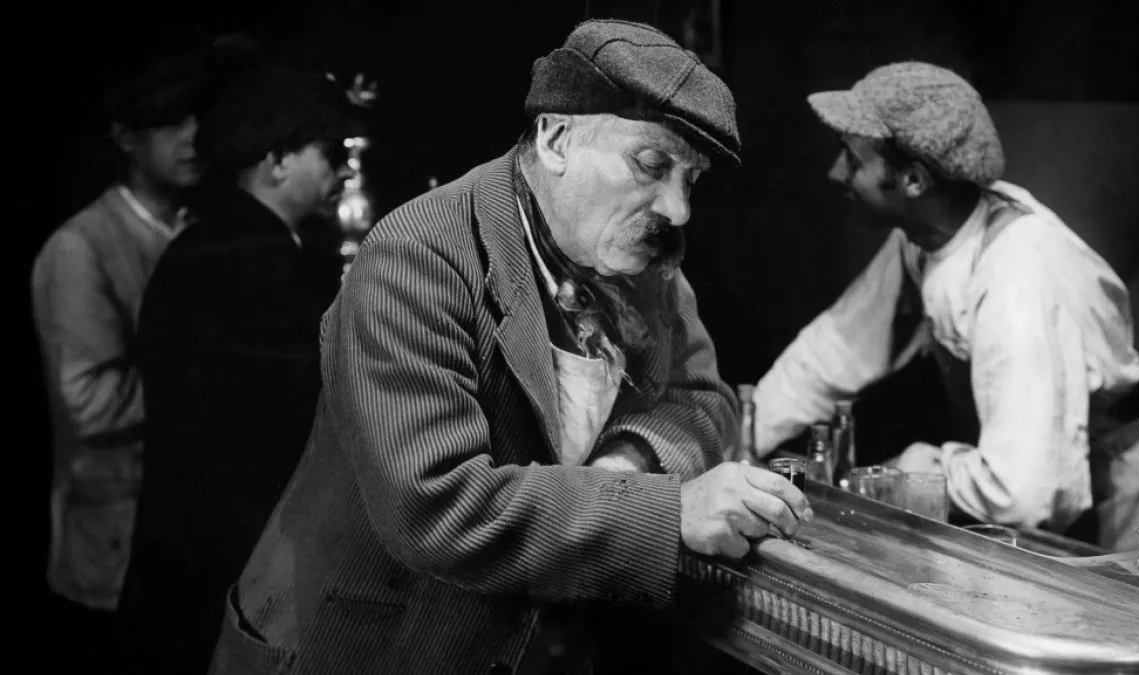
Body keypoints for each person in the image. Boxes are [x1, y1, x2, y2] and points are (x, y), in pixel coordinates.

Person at [208, 19, 812, 675]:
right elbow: (437, 507)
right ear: (555, 138)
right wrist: (668, 513)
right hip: (370, 640)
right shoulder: (417, 256)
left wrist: (626, 461)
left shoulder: (640, 260)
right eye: (651, 165)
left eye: (690, 179)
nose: (678, 209)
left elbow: (703, 402)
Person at [753, 61, 1139, 552]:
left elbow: (1024, 491)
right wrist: (743, 435)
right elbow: (839, 347)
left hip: (1110, 499)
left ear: (914, 180)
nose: (837, 173)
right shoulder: (925, 237)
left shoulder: (1018, 275)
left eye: (853, 160)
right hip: (1044, 478)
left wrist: (918, 471)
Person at [118, 62, 359, 674]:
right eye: (330, 153)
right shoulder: (249, 263)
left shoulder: (220, 244)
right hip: (226, 562)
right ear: (276, 161)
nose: (343, 170)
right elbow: (304, 416)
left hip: (198, 547)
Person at [31, 46, 204, 669]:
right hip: (112, 550)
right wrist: (212, 383)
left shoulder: (196, 230)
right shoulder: (80, 247)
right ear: (126, 137)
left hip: (178, 540)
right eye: (169, 120)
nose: (192, 136)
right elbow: (89, 403)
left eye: (198, 117)